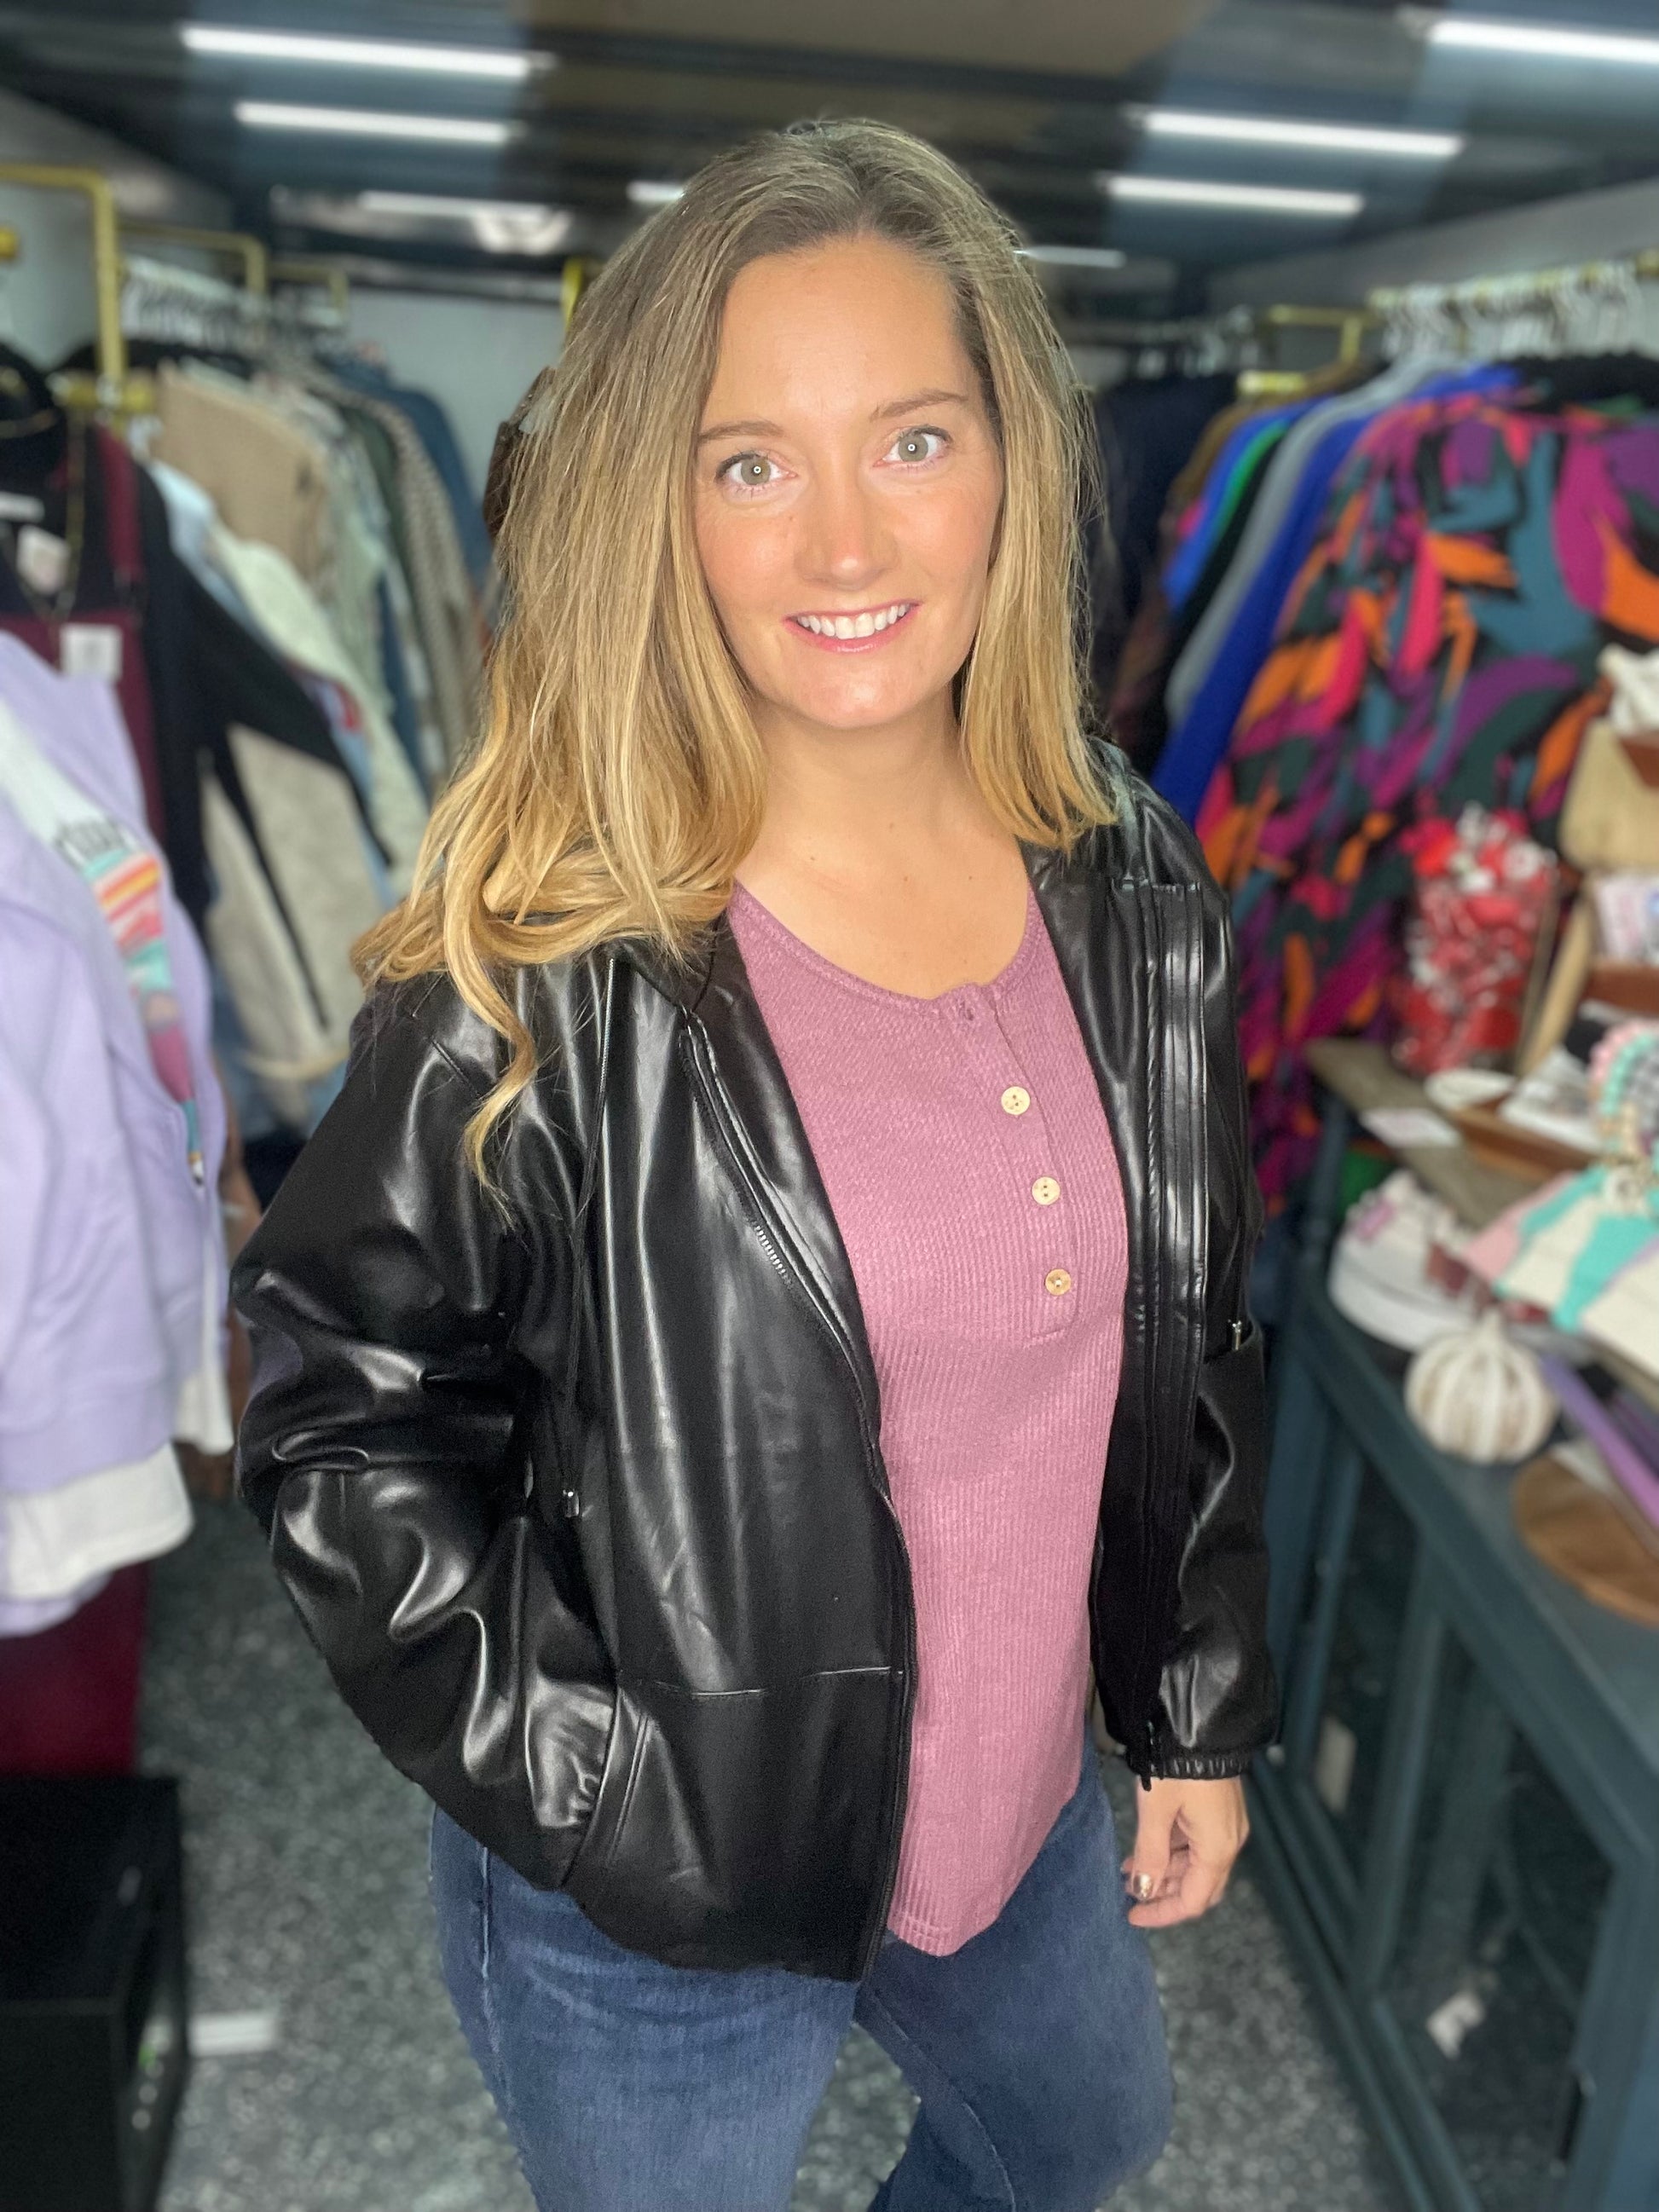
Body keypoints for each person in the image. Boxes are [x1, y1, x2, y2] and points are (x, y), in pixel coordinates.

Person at [233, 118, 1274, 2212]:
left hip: (1016, 1822)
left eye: (912, 440)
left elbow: (1188, 1328)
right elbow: (339, 1402)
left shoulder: (1129, 878)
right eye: (748, 464)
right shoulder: (552, 944)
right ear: (663, 504)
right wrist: (593, 1780)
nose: (841, 539)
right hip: (668, 1889)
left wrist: (1188, 1705)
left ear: (1011, 465)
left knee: (1085, 2139)